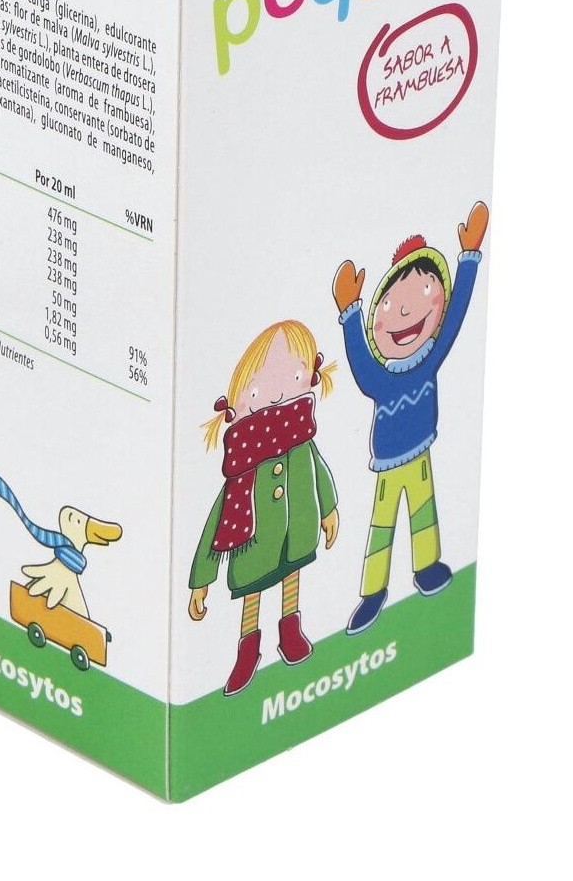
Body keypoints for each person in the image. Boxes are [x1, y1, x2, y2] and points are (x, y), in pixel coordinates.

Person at [333, 200, 488, 635]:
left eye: (422, 295)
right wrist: (351, 314)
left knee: (424, 511)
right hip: (389, 460)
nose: (403, 313)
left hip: (419, 450)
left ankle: (426, 567)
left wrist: (469, 258)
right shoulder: (382, 379)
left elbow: (456, 317)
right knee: (381, 526)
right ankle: (373, 592)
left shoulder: (429, 357)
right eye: (389, 305)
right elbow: (361, 368)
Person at [188, 321, 339, 696]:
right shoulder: (243, 462)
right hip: (255, 547)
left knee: (292, 578)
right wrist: (201, 578)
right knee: (252, 596)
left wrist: (329, 509)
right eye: (257, 389)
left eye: (295, 375)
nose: (278, 392)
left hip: (296, 534)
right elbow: (217, 519)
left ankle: (290, 631)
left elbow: (319, 471)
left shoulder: (301, 437)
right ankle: (248, 651)